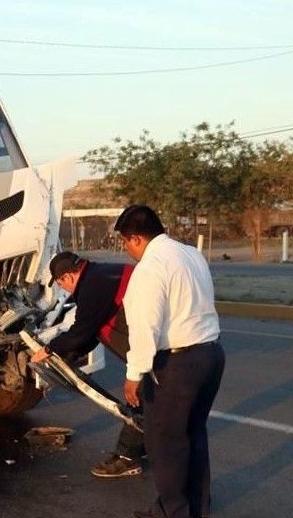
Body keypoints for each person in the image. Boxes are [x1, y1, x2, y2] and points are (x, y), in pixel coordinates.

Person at [115, 205, 225, 518]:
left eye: (125, 242)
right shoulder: (190, 254)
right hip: (211, 354)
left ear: (136, 238)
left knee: (165, 444)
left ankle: (173, 512)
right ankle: (195, 508)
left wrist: (134, 374)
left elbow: (145, 325)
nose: (126, 250)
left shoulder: (150, 267)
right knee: (194, 435)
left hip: (179, 364)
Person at [31, 251, 145, 478]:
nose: (64, 289)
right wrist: (69, 357)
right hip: (153, 339)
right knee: (149, 400)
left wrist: (48, 349)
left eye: (62, 283)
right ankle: (146, 447)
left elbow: (82, 331)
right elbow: (93, 331)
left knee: (141, 398)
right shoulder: (100, 275)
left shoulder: (93, 285)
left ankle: (127, 457)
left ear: (68, 276)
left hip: (153, 345)